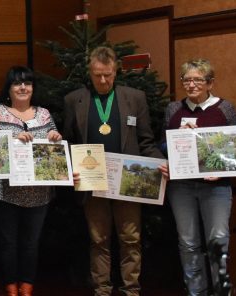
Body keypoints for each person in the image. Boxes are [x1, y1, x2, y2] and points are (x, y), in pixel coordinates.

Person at [61, 46, 162, 296]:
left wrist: (161, 162)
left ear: (115, 72)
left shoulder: (134, 98)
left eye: (107, 74)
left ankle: (131, 290)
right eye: (97, 75)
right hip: (93, 181)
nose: (103, 80)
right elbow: (68, 141)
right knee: (98, 240)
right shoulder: (75, 100)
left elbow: (146, 141)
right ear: (90, 72)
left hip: (128, 180)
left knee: (130, 239)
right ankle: (102, 290)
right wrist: (73, 167)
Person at [163, 59, 236, 296]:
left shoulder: (224, 108)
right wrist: (168, 155)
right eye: (187, 79)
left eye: (198, 79)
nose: (192, 84)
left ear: (210, 83)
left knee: (218, 240)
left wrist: (223, 171)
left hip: (216, 188)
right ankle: (196, 291)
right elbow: (163, 145)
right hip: (181, 188)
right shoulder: (174, 110)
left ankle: (220, 290)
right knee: (188, 243)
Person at [0, 66, 62, 296]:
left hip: (39, 193)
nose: (22, 87)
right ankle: (10, 286)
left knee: (31, 243)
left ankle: (27, 287)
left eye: (27, 83)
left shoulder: (44, 114)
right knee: (8, 242)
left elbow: (56, 146)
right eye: (17, 83)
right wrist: (10, 137)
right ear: (8, 89)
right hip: (6, 192)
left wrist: (55, 137)